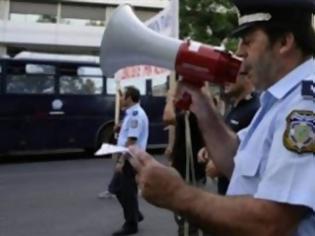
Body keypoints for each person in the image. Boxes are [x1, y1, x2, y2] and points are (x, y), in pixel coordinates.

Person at [127, 0, 315, 235]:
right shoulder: (279, 99)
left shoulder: (305, 105)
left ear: (284, 42)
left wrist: (177, 194)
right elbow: (237, 161)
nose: (239, 52)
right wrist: (203, 107)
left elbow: (272, 221)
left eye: (247, 41)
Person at [199, 65, 260, 195]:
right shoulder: (233, 106)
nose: (225, 80)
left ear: (247, 77)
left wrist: (221, 166)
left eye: (231, 75)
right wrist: (210, 149)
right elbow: (230, 138)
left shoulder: (257, 109)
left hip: (243, 197)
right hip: (226, 191)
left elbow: (256, 154)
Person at [163, 87, 208, 236]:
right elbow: (175, 129)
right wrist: (171, 148)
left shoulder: (193, 112)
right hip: (181, 167)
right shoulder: (184, 113)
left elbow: (168, 118)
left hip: (192, 169)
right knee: (184, 214)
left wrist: (169, 98)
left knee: (188, 214)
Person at [110, 86, 149, 236]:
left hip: (130, 158)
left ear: (130, 98)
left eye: (123, 96)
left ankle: (131, 224)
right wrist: (120, 129)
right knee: (116, 188)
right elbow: (128, 134)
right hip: (127, 156)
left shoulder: (136, 115)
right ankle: (135, 214)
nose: (120, 99)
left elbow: (132, 140)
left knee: (126, 191)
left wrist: (121, 161)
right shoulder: (130, 114)